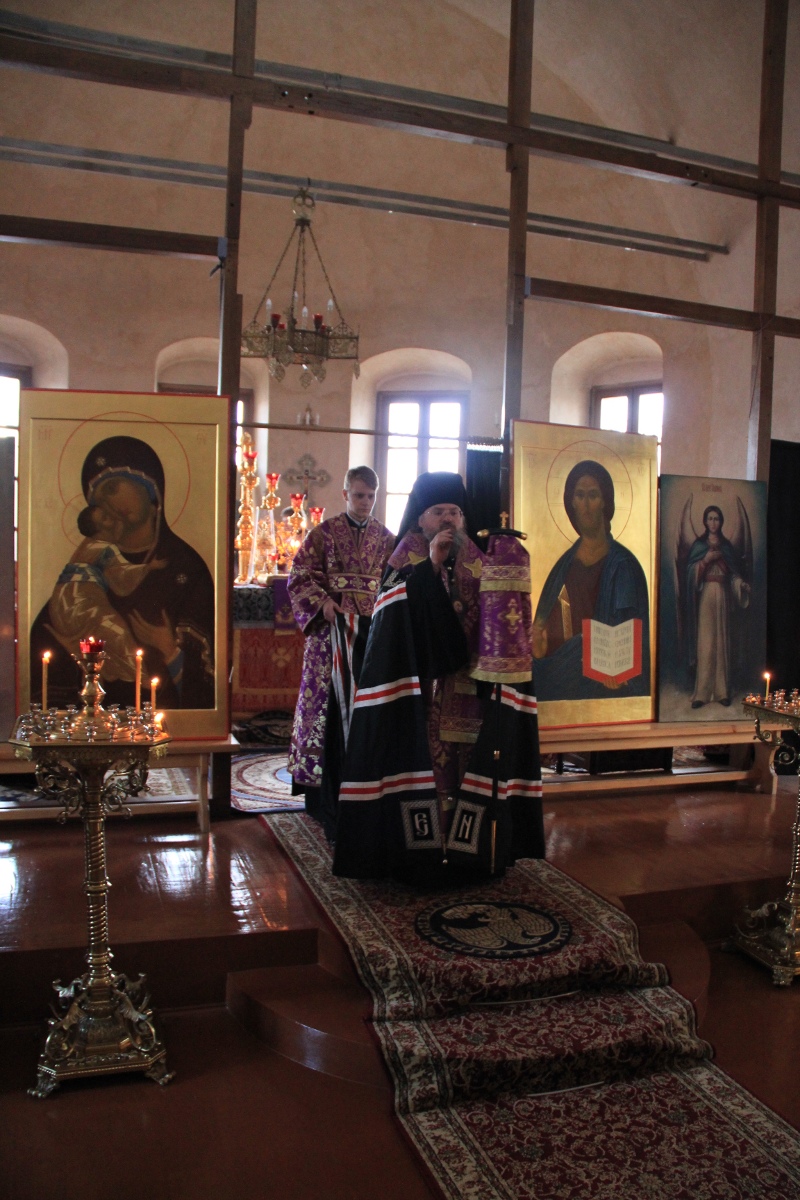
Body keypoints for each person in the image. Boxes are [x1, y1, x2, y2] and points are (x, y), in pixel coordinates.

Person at [333, 471, 544, 882]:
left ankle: (470, 855)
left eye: (455, 512)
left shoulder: (477, 557)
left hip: (470, 689)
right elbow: (390, 617)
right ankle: (424, 858)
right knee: (428, 771)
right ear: (420, 517)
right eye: (438, 511)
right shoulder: (404, 555)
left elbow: (501, 617)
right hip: (421, 694)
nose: (448, 519)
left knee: (470, 771)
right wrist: (430, 565)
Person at [30, 435, 215, 710]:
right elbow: (47, 642)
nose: (106, 502)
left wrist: (169, 650)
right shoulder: (92, 564)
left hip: (166, 721)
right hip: (94, 720)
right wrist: (75, 652)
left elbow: (206, 684)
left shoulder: (187, 569)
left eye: (112, 488)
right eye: (97, 500)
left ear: (149, 487)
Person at [287, 466, 394, 836]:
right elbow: (299, 575)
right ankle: (321, 797)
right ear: (346, 493)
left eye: (371, 496)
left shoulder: (387, 539)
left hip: (370, 639)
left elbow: (397, 583)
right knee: (327, 709)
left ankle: (363, 789)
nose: (365, 502)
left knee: (367, 709)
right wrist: (323, 603)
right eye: (359, 495)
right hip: (329, 638)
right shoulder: (323, 534)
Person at [532, 459, 650, 701]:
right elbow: (541, 636)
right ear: (571, 502)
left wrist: (620, 670)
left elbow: (635, 632)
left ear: (605, 501)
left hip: (608, 687)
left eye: (593, 495)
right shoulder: (562, 567)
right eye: (580, 495)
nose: (586, 505)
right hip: (565, 681)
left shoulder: (624, 565)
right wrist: (538, 644)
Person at [46, 504, 168, 682]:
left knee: (98, 642)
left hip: (63, 604)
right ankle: (142, 680)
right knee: (119, 632)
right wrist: (149, 567)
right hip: (80, 601)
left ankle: (96, 678)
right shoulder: (104, 548)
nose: (110, 517)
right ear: (99, 529)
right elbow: (123, 574)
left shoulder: (88, 544)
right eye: (104, 518)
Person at [685, 504, 750, 708]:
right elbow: (690, 574)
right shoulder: (699, 546)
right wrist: (705, 560)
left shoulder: (726, 546)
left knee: (722, 642)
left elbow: (732, 575)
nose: (713, 523)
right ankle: (702, 693)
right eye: (710, 519)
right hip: (706, 596)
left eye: (717, 519)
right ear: (705, 521)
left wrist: (741, 584)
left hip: (722, 595)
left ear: (721, 522)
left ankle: (722, 691)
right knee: (706, 642)